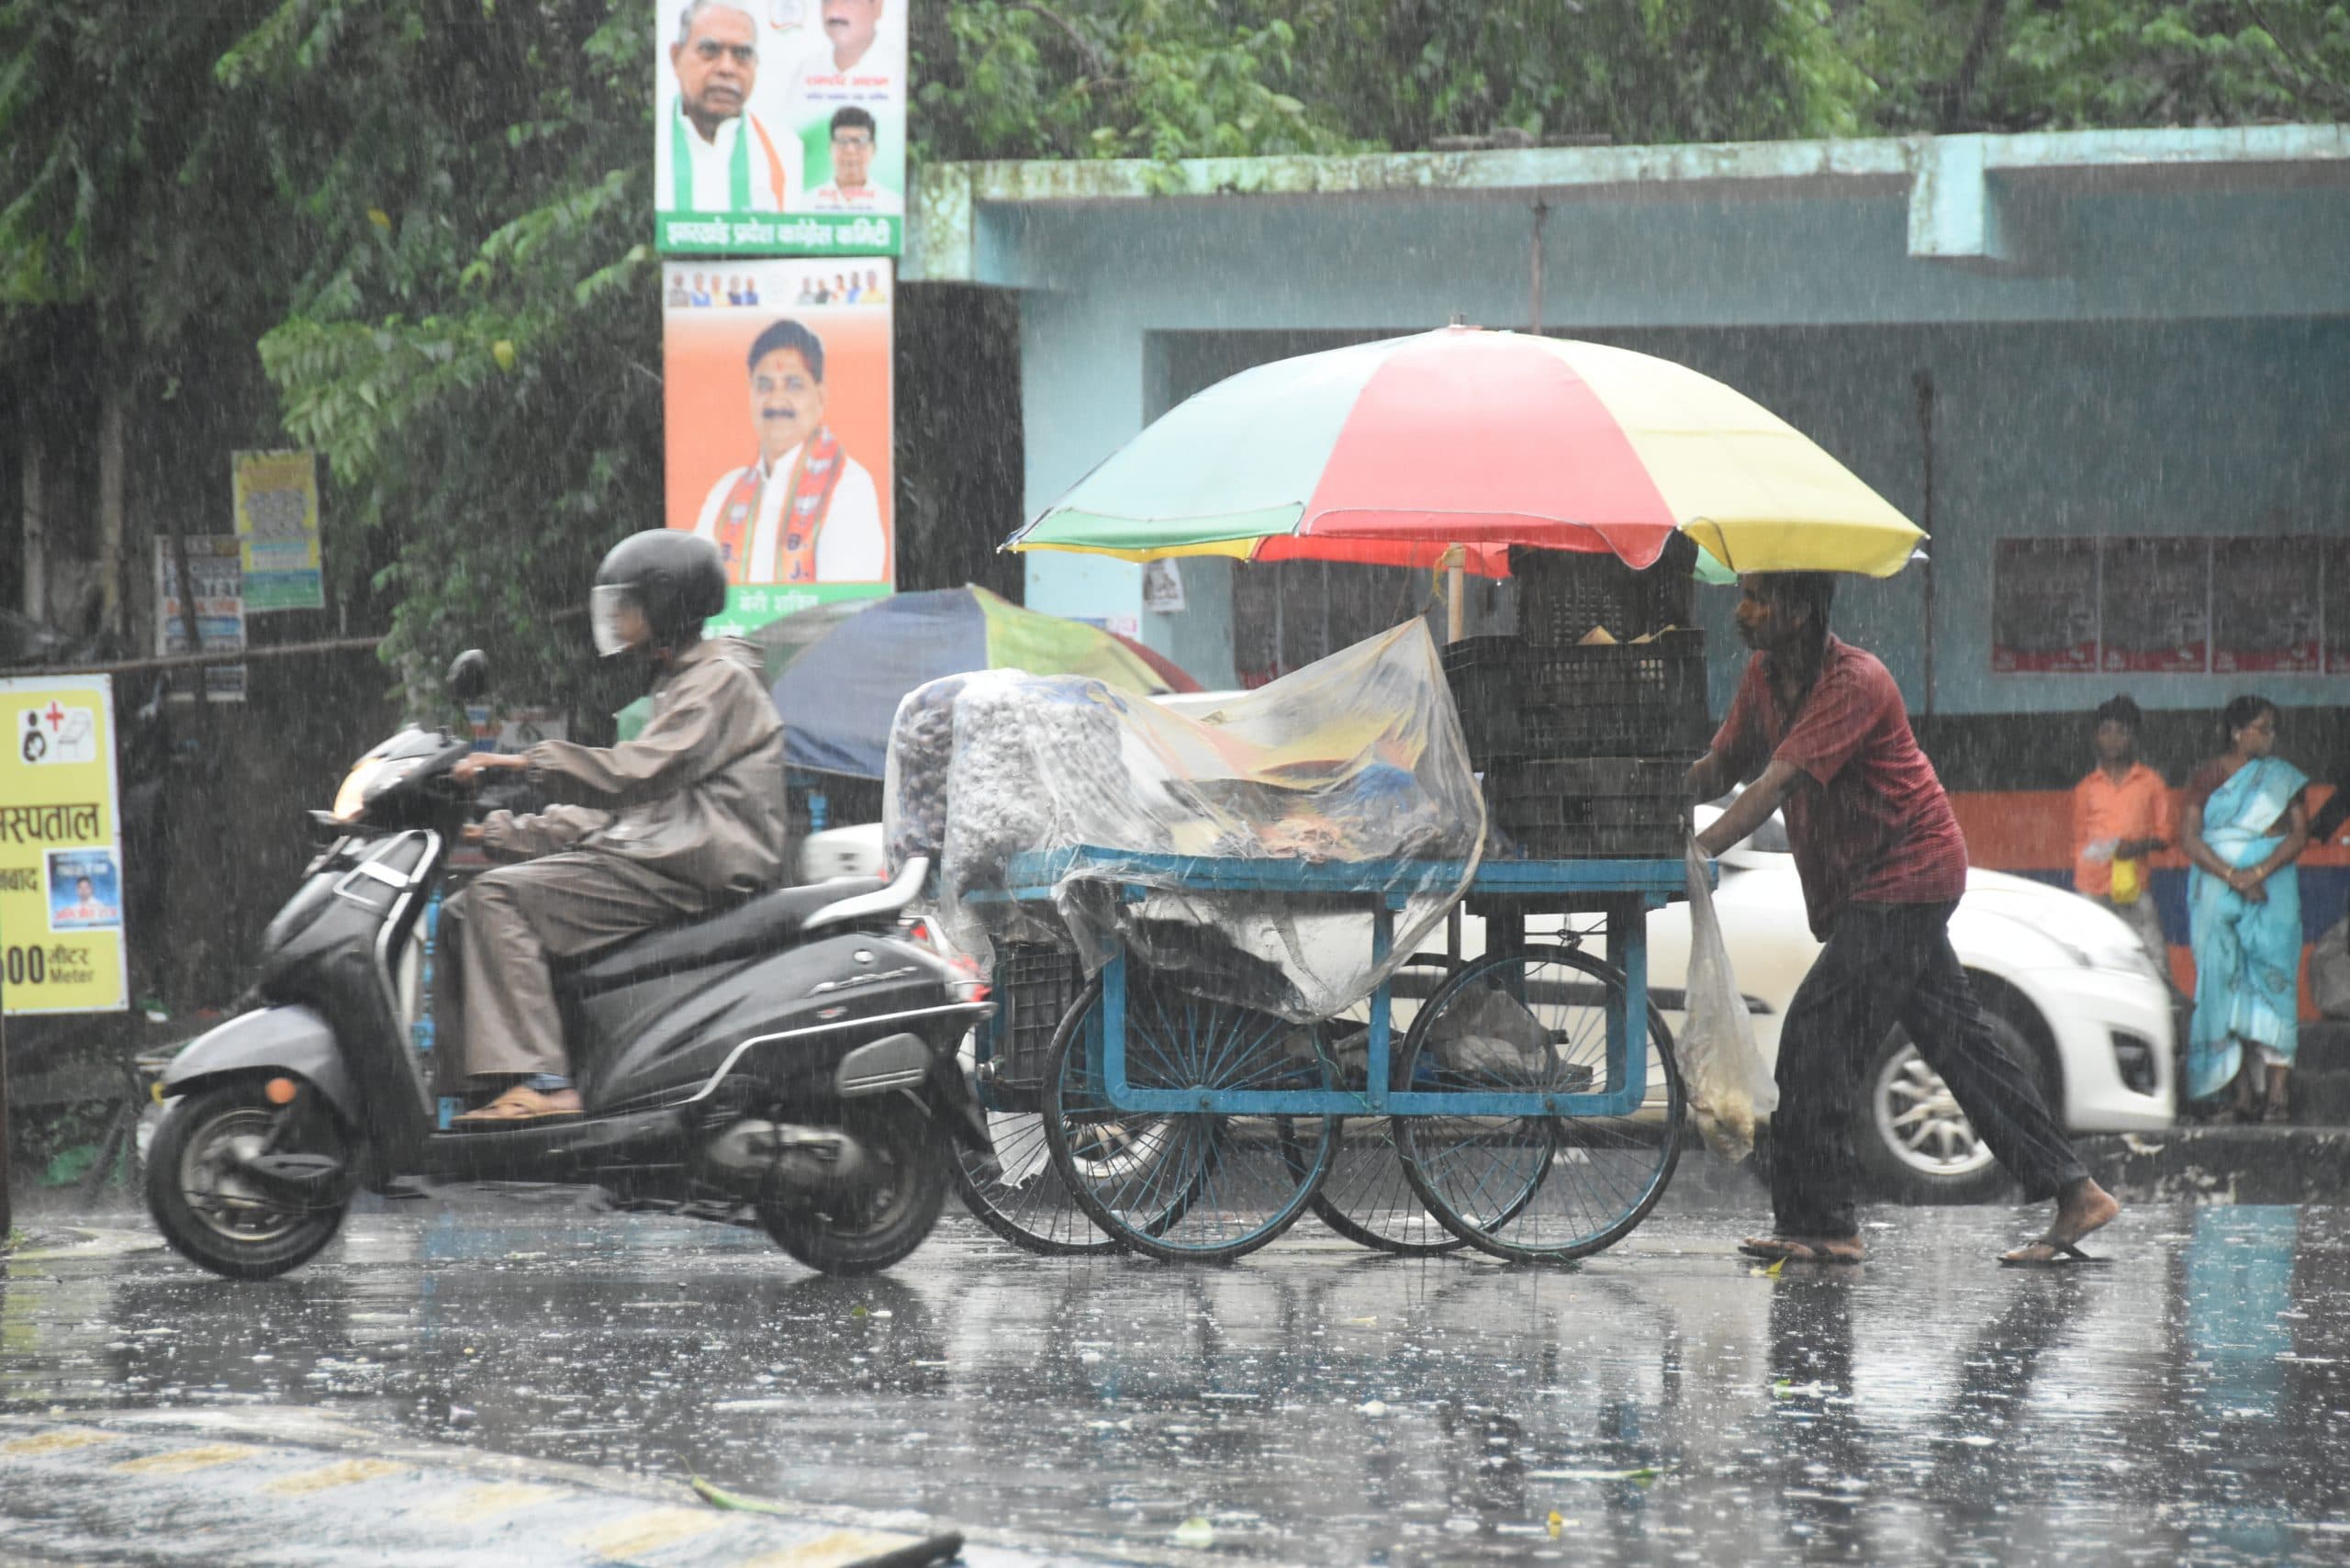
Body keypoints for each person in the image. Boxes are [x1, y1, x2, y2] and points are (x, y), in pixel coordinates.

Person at [1686, 572, 2119, 1267]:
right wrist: (1645, 791)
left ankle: (1824, 1222)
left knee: (1815, 1031)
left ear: (1800, 610)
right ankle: (2076, 1190)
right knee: (1957, 1042)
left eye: (1757, 598)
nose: (1742, 611)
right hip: (1864, 885)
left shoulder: (1854, 682)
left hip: (1907, 876)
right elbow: (1721, 768)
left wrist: (1696, 848)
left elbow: (1771, 786)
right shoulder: (1764, 678)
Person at [434, 532, 788, 1127]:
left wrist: (524, 762)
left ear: (666, 602)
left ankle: (543, 1083)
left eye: (628, 604)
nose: (618, 618)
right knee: (462, 911)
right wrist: (494, 834)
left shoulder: (719, 680)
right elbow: (617, 812)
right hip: (659, 851)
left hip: (694, 862)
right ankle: (478, 1089)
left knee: (497, 897)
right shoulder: (681, 681)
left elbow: (632, 777)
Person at [2178, 695, 2311, 1121]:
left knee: (2276, 983)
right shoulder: (2207, 776)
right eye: (2263, 727)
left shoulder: (2284, 778)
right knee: (2223, 987)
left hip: (2274, 888)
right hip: (2217, 887)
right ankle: (2240, 1095)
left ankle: (2277, 1095)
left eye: (2273, 728)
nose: (2270, 736)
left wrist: (2257, 873)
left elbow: (2298, 835)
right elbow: (2190, 838)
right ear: (2237, 731)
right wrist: (2233, 876)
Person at [688, 318, 886, 585]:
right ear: (751, 395)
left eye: (793, 385)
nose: (776, 400)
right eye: (765, 385)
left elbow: (841, 607)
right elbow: (698, 592)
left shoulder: (848, 486)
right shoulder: (726, 492)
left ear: (820, 398)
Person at [656, 0, 796, 215]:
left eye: (742, 54)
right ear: (676, 58)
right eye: (710, 50)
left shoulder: (786, 152)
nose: (726, 68)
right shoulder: (649, 143)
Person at [2070, 694, 2172, 980]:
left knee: (2150, 956)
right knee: (2092, 956)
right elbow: (2079, 839)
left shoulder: (2150, 783)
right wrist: (2090, 866)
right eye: (2106, 732)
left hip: (2133, 884)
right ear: (2096, 737)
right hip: (2093, 886)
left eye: (2121, 732)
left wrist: (2134, 847)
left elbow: (2165, 835)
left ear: (2134, 737)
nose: (2113, 739)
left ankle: (2163, 1008)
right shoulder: (2086, 788)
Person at [809, 106, 902, 214]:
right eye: (842, 140)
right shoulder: (806, 205)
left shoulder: (893, 206)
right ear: (830, 148)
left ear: (874, 149)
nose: (850, 150)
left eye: (860, 141)